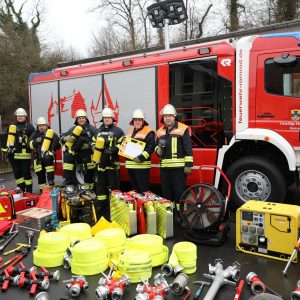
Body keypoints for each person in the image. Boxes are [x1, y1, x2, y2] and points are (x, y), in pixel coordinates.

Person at [156, 104, 193, 223]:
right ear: (163, 118)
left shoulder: (183, 129)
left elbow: (188, 148)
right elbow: (156, 151)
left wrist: (188, 165)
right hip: (165, 169)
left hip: (178, 169)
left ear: (174, 117)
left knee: (179, 193)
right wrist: (159, 150)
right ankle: (169, 215)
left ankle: (181, 216)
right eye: (166, 116)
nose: (168, 118)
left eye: (170, 116)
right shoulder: (160, 131)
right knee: (167, 194)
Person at [93, 107, 124, 220]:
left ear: (112, 118)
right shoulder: (98, 131)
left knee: (114, 190)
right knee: (100, 191)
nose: (107, 119)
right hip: (100, 167)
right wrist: (94, 147)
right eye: (105, 118)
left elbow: (122, 144)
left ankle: (115, 215)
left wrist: (112, 149)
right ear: (103, 119)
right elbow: (92, 142)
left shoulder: (118, 131)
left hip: (112, 167)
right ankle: (102, 216)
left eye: (109, 117)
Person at [61, 109, 97, 188]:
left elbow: (98, 138)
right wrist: (65, 138)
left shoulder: (92, 129)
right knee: (67, 156)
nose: (81, 120)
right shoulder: (73, 129)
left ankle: (90, 188)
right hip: (76, 153)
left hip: (88, 153)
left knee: (89, 172)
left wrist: (90, 145)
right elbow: (62, 138)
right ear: (76, 120)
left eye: (83, 118)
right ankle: (67, 180)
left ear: (86, 119)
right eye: (79, 118)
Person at [3, 108, 35, 192]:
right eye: (18, 116)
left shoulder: (30, 126)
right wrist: (6, 150)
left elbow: (33, 139)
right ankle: (21, 190)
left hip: (25, 155)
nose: (20, 117)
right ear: (16, 116)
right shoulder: (12, 126)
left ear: (25, 116)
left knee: (26, 173)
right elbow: (6, 138)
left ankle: (28, 191)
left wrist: (26, 139)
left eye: (22, 116)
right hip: (13, 155)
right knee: (17, 173)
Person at [125, 109, 155, 193]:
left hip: (142, 166)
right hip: (131, 166)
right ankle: (138, 206)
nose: (137, 122)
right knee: (135, 191)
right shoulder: (130, 132)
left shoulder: (148, 131)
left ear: (143, 121)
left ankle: (146, 206)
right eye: (135, 120)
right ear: (133, 121)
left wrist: (141, 157)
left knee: (144, 190)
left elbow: (151, 147)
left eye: (139, 120)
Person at [29, 117, 61, 192]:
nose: (42, 127)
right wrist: (36, 141)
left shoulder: (51, 133)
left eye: (43, 125)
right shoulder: (34, 134)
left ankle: (51, 182)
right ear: (37, 127)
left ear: (46, 126)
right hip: (38, 159)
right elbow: (30, 146)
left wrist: (54, 141)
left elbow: (59, 145)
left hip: (48, 157)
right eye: (40, 126)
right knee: (41, 177)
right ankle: (42, 192)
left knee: (49, 170)